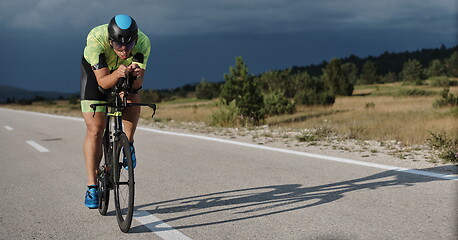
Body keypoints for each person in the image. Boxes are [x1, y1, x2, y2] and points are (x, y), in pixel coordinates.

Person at [80, 14, 151, 208]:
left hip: (122, 72)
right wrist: (117, 73)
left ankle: (128, 143)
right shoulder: (96, 39)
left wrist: (134, 76)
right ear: (110, 41)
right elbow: (103, 82)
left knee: (133, 95)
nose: (124, 50)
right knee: (95, 129)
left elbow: (138, 85)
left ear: (135, 40)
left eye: (129, 46)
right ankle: (92, 186)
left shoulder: (143, 42)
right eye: (119, 46)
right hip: (97, 75)